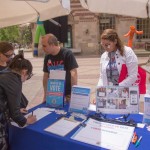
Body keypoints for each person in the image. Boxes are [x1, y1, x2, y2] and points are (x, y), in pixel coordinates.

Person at [0, 54, 37, 150]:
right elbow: (15, 114)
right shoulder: (14, 80)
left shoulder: (5, 73)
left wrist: (16, 108)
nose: (25, 80)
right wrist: (27, 121)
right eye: (28, 76)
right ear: (24, 72)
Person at [41, 34, 78, 103]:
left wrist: (73, 94)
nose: (43, 48)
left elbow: (73, 73)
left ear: (52, 44)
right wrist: (45, 95)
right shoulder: (47, 57)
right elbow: (45, 76)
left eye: (44, 46)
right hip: (53, 94)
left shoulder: (67, 54)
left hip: (67, 94)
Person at [0, 41, 28, 113]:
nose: (10, 57)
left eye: (12, 55)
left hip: (15, 99)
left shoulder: (11, 63)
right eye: (7, 55)